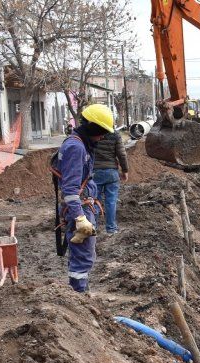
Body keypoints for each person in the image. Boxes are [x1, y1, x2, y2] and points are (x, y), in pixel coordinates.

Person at [56, 104, 114, 293]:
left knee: (83, 255)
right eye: (101, 132)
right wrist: (80, 218)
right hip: (79, 208)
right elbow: (70, 188)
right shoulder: (76, 148)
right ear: (92, 127)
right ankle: (79, 295)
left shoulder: (79, 143)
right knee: (83, 258)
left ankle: (80, 294)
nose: (102, 137)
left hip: (83, 206)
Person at [93, 130, 129, 234]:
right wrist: (125, 170)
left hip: (95, 172)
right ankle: (111, 228)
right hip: (111, 172)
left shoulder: (93, 133)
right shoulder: (115, 134)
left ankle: (93, 227)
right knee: (111, 201)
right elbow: (122, 154)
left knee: (95, 201)